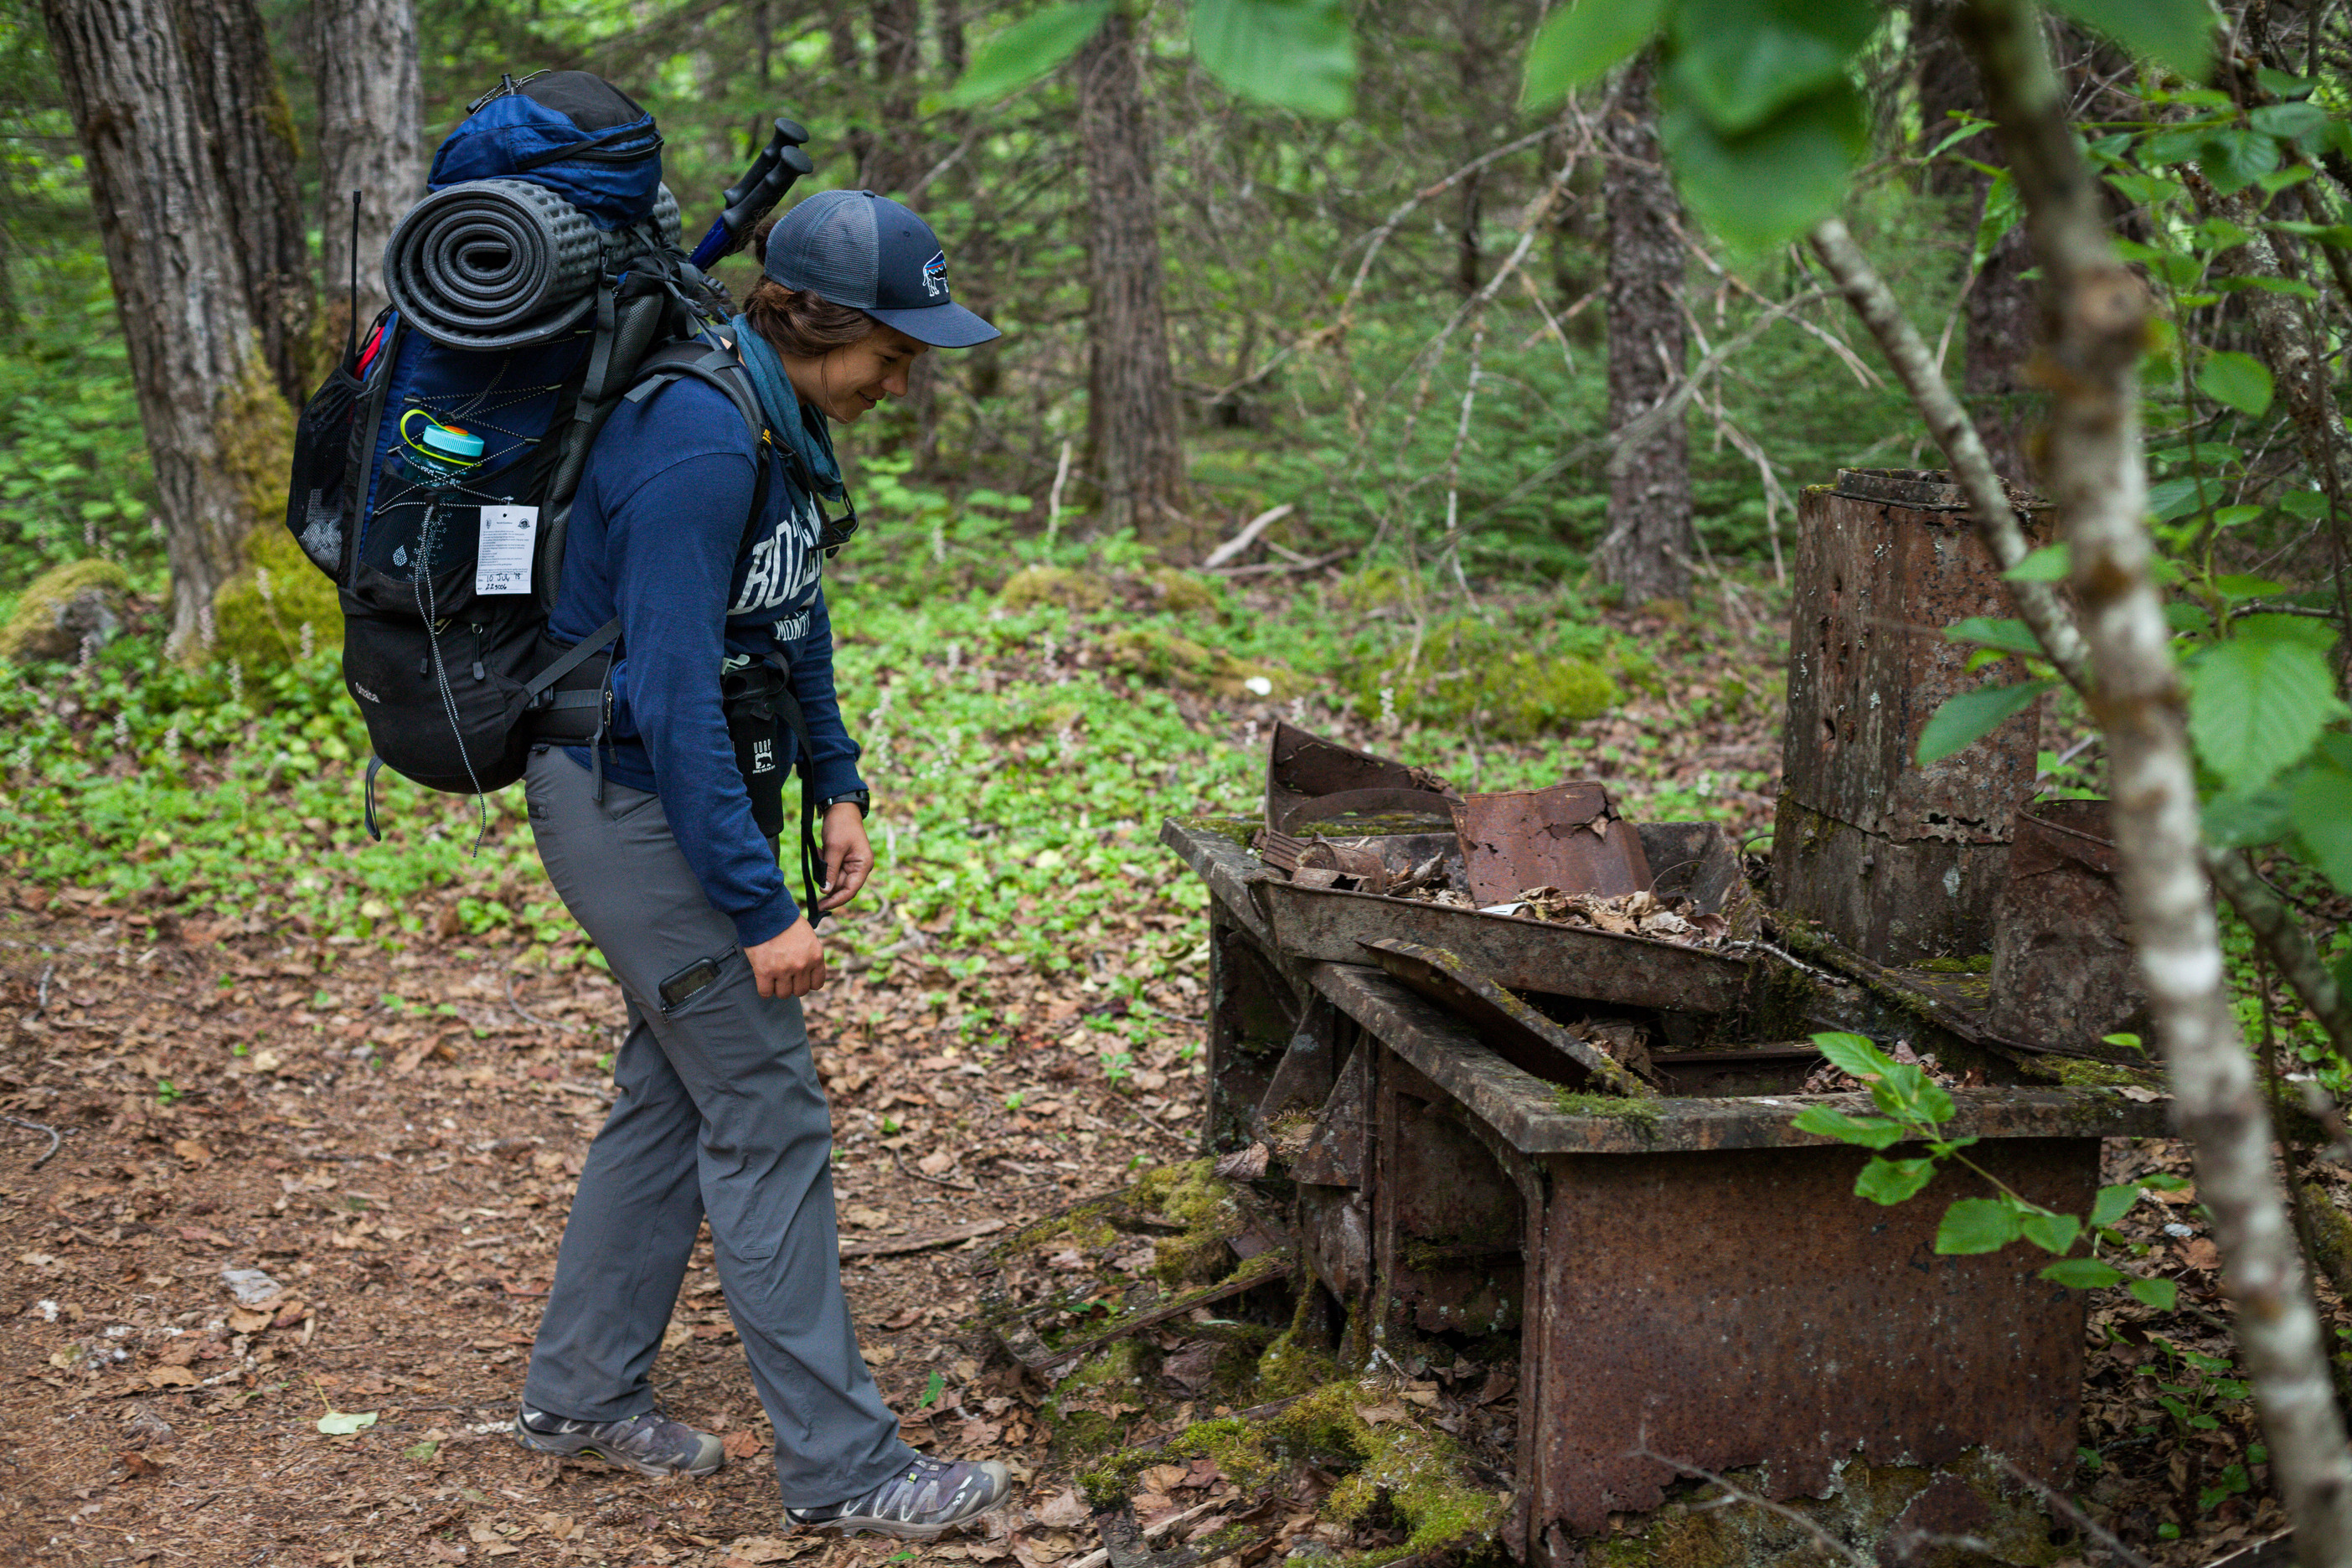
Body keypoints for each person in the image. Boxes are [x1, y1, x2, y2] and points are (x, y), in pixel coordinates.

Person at [508, 189, 1008, 1540]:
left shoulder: (771, 423)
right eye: (895, 352)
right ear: (816, 321)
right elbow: (670, 698)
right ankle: (850, 1473)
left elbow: (792, 613)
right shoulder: (696, 439)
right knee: (769, 1111)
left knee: (672, 1095)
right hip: (627, 802)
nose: (905, 378)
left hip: (669, 795)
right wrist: (758, 907)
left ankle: (581, 1391)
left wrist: (838, 777)